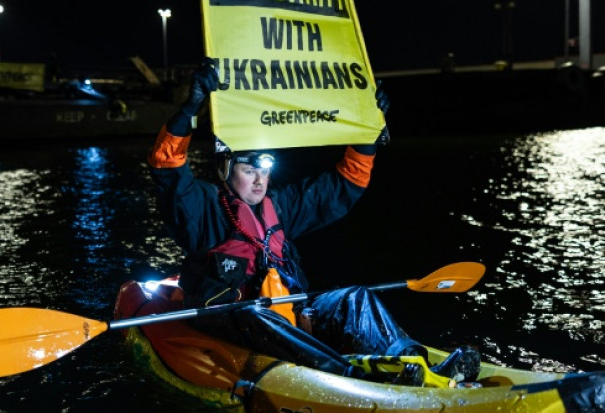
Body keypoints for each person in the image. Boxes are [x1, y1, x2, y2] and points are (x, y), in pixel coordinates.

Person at [147, 57, 479, 383]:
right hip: (230, 318)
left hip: (285, 312)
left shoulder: (280, 206)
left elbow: (342, 186)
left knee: (354, 296)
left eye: (265, 171)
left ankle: (417, 365)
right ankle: (347, 377)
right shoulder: (204, 207)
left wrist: (368, 129)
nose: (260, 180)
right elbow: (167, 170)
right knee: (253, 312)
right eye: (250, 171)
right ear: (226, 170)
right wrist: (189, 110)